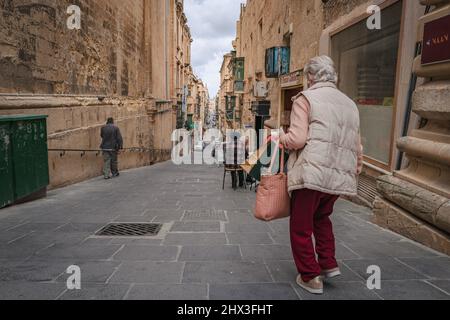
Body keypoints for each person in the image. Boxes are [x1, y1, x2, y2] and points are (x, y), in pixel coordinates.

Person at [276, 55, 363, 295]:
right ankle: (328, 263)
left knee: (301, 226)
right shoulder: (350, 104)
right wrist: (356, 168)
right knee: (322, 218)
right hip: (339, 173)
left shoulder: (306, 99)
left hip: (312, 173)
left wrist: (279, 137)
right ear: (333, 76)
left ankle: (310, 276)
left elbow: (296, 139)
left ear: (311, 77)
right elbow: (357, 145)